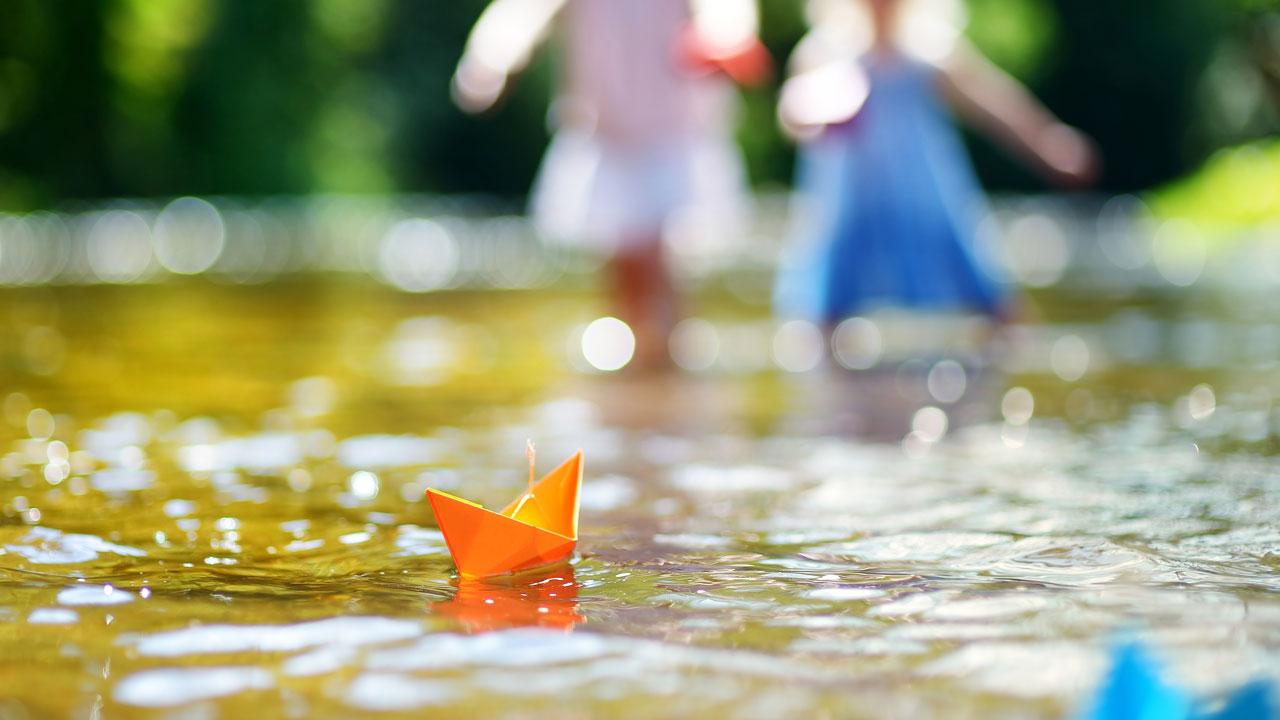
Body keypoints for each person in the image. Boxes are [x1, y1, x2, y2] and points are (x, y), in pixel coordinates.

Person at [453, 0, 767, 370]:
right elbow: (520, 13)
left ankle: (663, 362)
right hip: (608, 133)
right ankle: (643, 364)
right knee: (623, 263)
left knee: (659, 258)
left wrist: (728, 38)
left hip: (675, 133)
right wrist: (491, 59)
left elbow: (724, 9)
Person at [773, 0, 1098, 327]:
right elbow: (791, 113)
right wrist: (812, 115)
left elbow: (996, 105)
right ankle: (830, 374)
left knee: (990, 304)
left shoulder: (932, 50)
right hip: (850, 204)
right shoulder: (823, 52)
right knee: (827, 311)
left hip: (924, 199)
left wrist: (1049, 143)